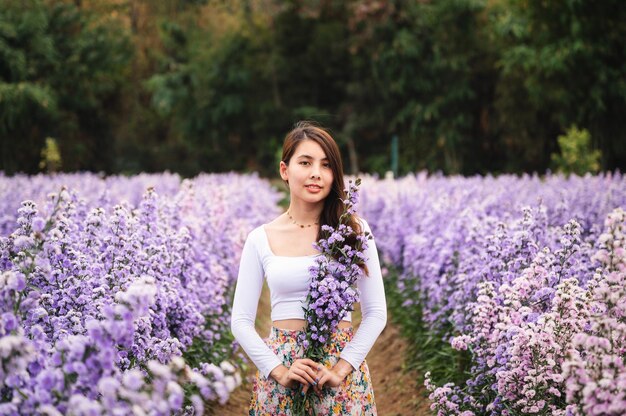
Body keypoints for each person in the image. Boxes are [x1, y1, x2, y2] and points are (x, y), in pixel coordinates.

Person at [231, 121, 387, 415]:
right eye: (305, 162)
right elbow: (240, 320)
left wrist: (340, 370)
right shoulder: (260, 238)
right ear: (284, 170)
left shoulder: (354, 231)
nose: (316, 172)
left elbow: (376, 313)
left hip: (340, 372)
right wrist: (278, 371)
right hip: (282, 371)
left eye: (326, 165)